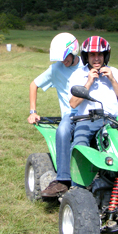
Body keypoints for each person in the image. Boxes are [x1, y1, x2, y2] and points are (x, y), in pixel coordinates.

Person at [28, 32, 84, 197]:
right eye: (60, 58)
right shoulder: (56, 69)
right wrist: (33, 112)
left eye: (65, 57)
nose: (63, 61)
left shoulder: (86, 66)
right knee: (62, 130)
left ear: (74, 51)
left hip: (90, 113)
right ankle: (63, 180)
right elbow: (34, 84)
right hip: (71, 114)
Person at [69, 36, 118, 149]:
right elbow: (73, 103)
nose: (96, 58)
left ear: (105, 56)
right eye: (92, 55)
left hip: (112, 121)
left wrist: (112, 79)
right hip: (87, 120)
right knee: (80, 146)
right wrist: (89, 82)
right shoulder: (78, 74)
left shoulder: (114, 72)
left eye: (100, 54)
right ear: (86, 57)